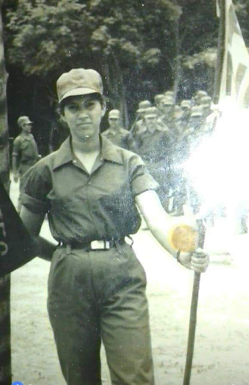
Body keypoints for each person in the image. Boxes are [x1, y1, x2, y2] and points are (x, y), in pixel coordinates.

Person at [20, 68, 209, 385]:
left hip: (121, 277)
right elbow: (24, 236)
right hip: (69, 285)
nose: (83, 115)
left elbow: (157, 216)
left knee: (134, 376)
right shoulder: (45, 170)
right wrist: (62, 256)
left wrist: (183, 250)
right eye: (73, 107)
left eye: (90, 105)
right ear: (62, 113)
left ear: (103, 107)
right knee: (80, 378)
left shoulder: (129, 162)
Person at [12, 116, 40, 213]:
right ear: (22, 126)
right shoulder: (18, 140)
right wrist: (15, 172)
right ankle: (19, 212)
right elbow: (14, 156)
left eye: (30, 125)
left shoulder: (31, 137)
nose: (30, 127)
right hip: (25, 168)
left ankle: (33, 211)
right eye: (28, 125)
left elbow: (34, 152)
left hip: (34, 165)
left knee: (36, 189)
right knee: (24, 190)